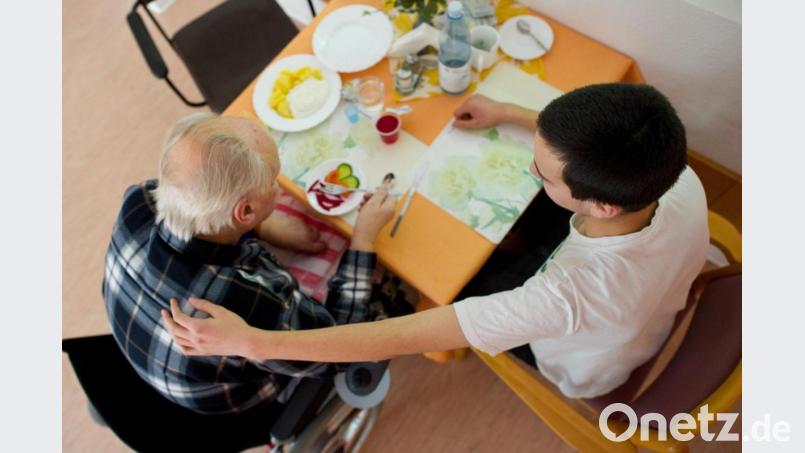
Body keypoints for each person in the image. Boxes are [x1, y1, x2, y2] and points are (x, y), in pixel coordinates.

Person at [161, 84, 709, 399]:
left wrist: (254, 342)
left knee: (462, 279)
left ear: (601, 203)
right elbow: (585, 154)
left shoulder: (562, 298)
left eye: (543, 172)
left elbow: (395, 335)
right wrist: (509, 113)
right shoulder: (675, 173)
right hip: (657, 286)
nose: (532, 171)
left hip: (584, 365)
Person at [103, 112, 404, 415]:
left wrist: (264, 227)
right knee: (388, 291)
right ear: (244, 212)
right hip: (224, 399)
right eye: (274, 180)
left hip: (144, 342)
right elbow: (340, 344)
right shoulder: (244, 300)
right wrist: (363, 239)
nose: (278, 187)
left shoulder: (138, 199)